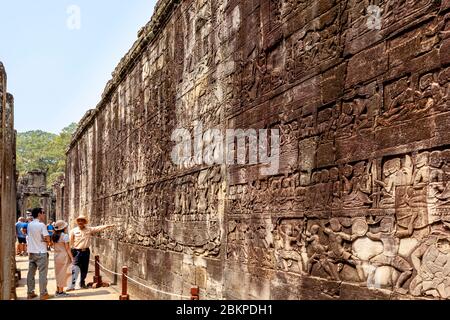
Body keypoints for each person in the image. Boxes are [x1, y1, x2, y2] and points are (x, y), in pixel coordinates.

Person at [68, 215, 115, 290]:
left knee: (84, 268)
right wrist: (71, 253)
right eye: (79, 220)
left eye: (82, 220)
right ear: (77, 222)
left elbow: (98, 228)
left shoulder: (89, 229)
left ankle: (82, 283)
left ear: (84, 222)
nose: (80, 222)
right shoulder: (73, 231)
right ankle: (72, 285)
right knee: (75, 267)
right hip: (77, 251)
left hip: (86, 251)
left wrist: (108, 226)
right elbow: (70, 242)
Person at [26, 208, 51, 300]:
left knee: (31, 273)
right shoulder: (41, 225)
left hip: (31, 251)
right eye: (43, 213)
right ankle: (43, 293)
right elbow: (47, 238)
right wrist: (46, 240)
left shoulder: (29, 225)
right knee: (42, 274)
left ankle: (30, 292)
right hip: (41, 252)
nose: (44, 214)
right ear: (39, 214)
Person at [52, 220, 74, 297]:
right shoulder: (65, 236)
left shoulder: (54, 235)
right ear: (63, 227)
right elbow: (67, 248)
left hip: (56, 255)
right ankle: (61, 292)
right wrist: (72, 258)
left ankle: (58, 290)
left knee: (58, 273)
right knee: (63, 274)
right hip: (64, 256)